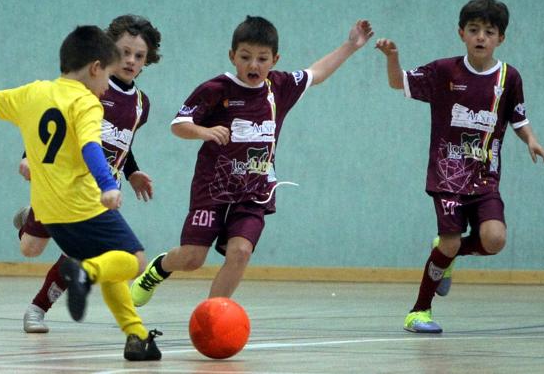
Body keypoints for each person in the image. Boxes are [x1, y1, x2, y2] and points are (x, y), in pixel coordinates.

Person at [129, 15, 374, 306]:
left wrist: (350, 46)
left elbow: (316, 73)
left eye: (262, 58)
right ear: (232, 56)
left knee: (241, 252)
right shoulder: (215, 90)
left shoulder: (280, 87)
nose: (253, 65)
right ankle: (158, 270)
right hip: (213, 188)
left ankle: (211, 315)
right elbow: (178, 125)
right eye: (245, 57)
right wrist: (204, 131)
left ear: (274, 59)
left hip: (254, 192)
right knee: (192, 258)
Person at [0, 25, 162, 361]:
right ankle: (85, 273)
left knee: (110, 262)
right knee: (133, 261)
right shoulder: (89, 103)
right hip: (84, 204)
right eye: (106, 75)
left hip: (49, 210)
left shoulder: (34, 92)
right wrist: (109, 186)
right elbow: (92, 148)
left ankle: (136, 337)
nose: (107, 84)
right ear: (95, 68)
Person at [375, 0, 544, 334]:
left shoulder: (509, 78)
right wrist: (393, 57)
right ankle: (418, 312)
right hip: (447, 177)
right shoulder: (445, 71)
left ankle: (448, 257)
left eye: (489, 31)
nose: (481, 37)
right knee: (451, 240)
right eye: (474, 30)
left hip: (485, 179)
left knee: (494, 240)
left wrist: (531, 139)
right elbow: (398, 82)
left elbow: (517, 117)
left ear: (501, 38)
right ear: (461, 33)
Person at [12, 15, 161, 334]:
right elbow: (51, 123)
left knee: (79, 255)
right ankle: (29, 220)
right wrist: (29, 158)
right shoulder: (88, 88)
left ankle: (37, 308)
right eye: (125, 53)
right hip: (62, 184)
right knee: (30, 249)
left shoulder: (140, 105)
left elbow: (123, 142)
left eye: (139, 56)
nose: (131, 61)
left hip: (99, 195)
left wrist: (132, 172)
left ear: (147, 61)